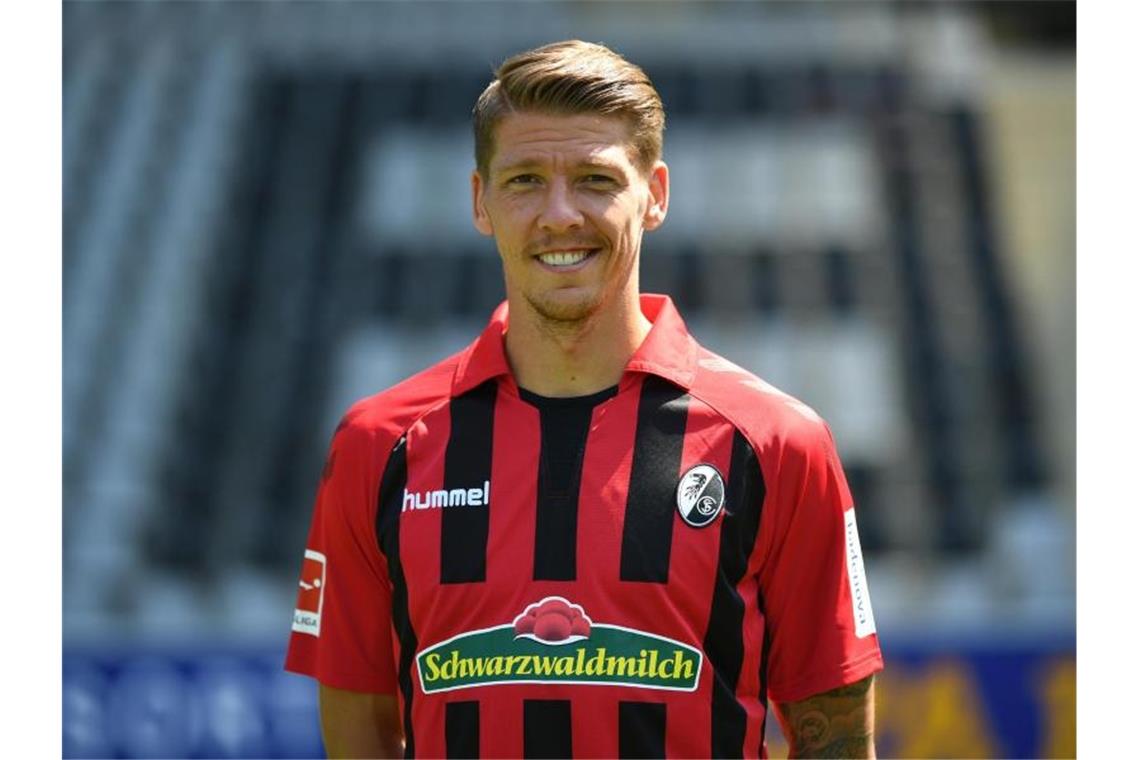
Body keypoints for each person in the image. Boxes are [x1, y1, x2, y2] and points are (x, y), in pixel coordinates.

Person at [285, 39, 883, 759]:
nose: (560, 214)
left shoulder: (780, 444)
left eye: (596, 179)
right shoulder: (378, 445)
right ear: (480, 200)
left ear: (655, 194)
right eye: (525, 180)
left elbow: (838, 740)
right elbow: (360, 736)